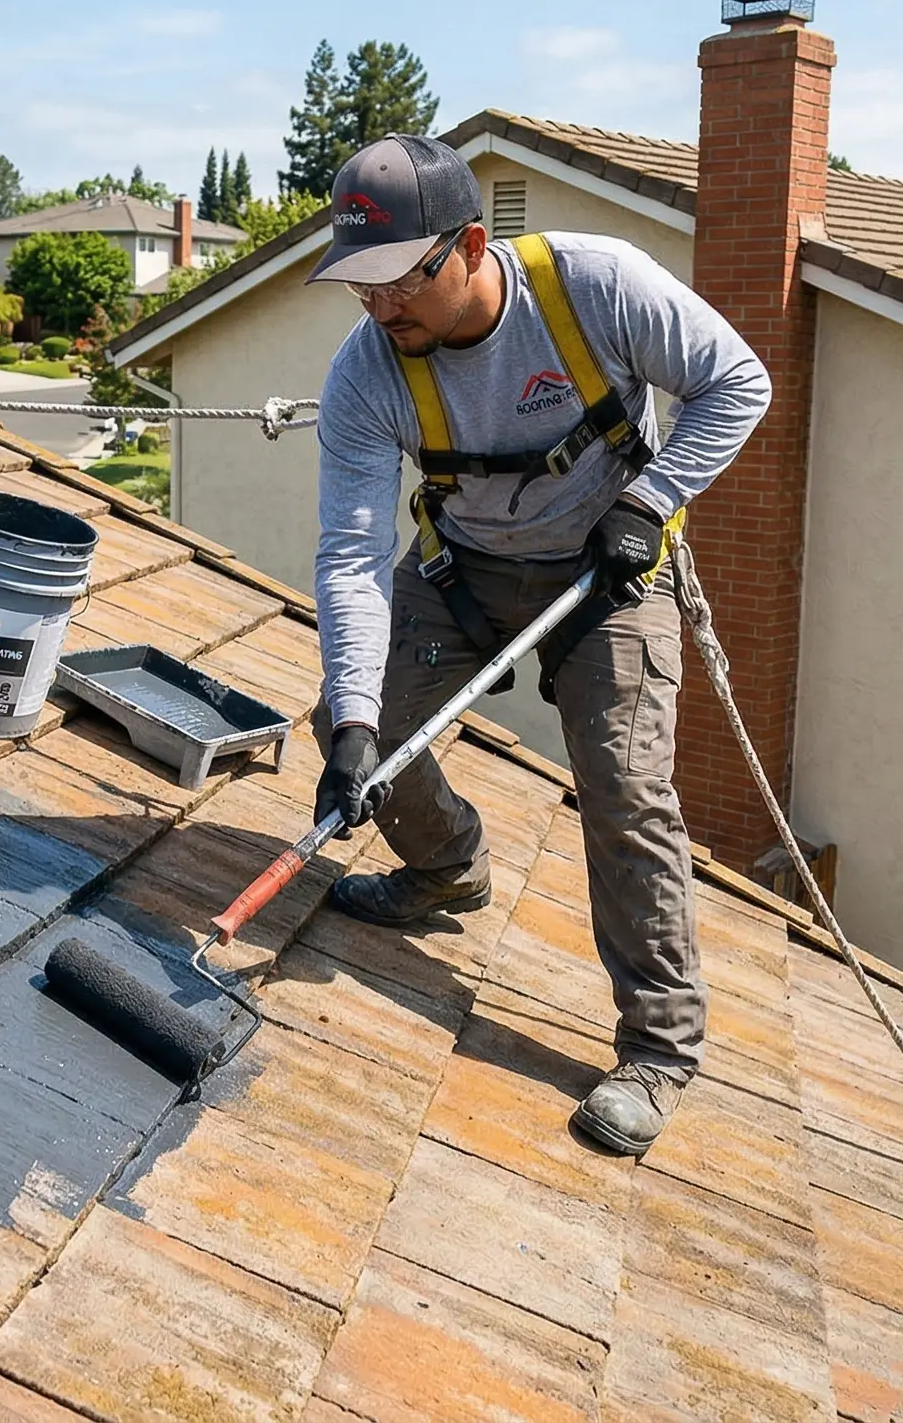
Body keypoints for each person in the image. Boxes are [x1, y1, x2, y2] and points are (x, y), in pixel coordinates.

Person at [305, 134, 771, 1155]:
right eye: (360, 290)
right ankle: (446, 869)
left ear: (468, 245)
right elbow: (348, 553)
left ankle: (658, 1048)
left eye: (397, 283)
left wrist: (647, 505)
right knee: (360, 721)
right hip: (460, 574)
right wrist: (347, 723)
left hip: (611, 575)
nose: (381, 311)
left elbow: (737, 384)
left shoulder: (596, 289)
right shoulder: (364, 372)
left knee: (621, 785)